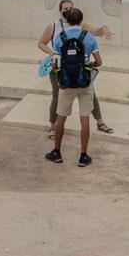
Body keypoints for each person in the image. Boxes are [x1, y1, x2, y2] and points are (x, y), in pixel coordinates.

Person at [38, 2, 113, 138]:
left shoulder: (80, 24)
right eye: (65, 9)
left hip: (79, 68)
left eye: (70, 8)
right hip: (59, 68)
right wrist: (52, 54)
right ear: (60, 11)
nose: (67, 11)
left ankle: (99, 121)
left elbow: (97, 31)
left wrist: (105, 29)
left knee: (92, 94)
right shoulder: (53, 26)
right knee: (57, 95)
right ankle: (53, 126)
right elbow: (41, 43)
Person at [44, 9, 102, 169]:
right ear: (81, 20)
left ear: (67, 21)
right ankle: (83, 156)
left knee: (61, 117)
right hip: (85, 83)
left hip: (66, 83)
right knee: (84, 118)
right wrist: (88, 65)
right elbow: (99, 61)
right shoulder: (89, 38)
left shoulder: (60, 39)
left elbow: (55, 63)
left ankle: (57, 152)